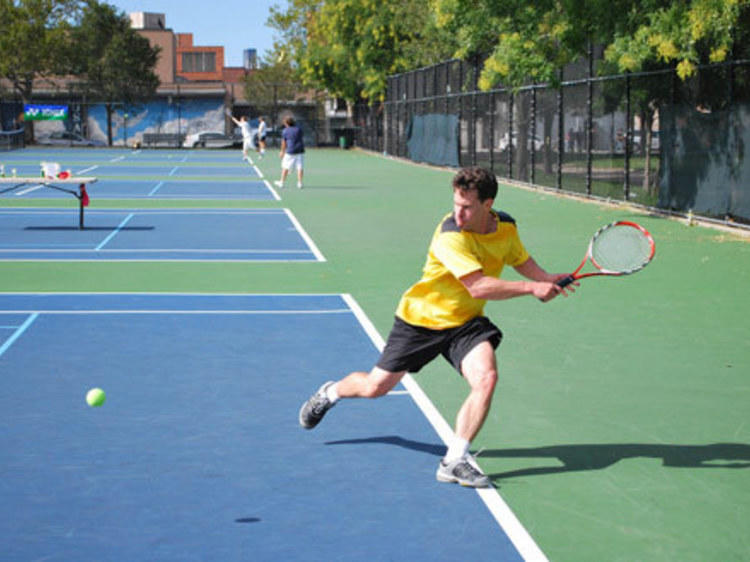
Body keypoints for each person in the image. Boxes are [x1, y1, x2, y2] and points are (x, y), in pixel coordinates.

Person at [298, 166, 575, 488]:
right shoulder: (451, 236)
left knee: (486, 378)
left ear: (488, 204)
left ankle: (454, 459)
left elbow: (518, 257)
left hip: (465, 323)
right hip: (422, 321)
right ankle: (330, 392)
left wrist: (545, 278)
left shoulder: (506, 226)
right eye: (456, 204)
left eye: (467, 207)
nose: (458, 213)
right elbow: (478, 286)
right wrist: (531, 289)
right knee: (376, 387)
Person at [274, 116, 304, 189]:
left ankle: (281, 182)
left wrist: (282, 151)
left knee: (285, 167)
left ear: (286, 123)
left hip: (290, 151)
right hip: (300, 150)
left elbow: (284, 142)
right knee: (299, 167)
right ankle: (300, 183)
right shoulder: (299, 129)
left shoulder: (285, 131)